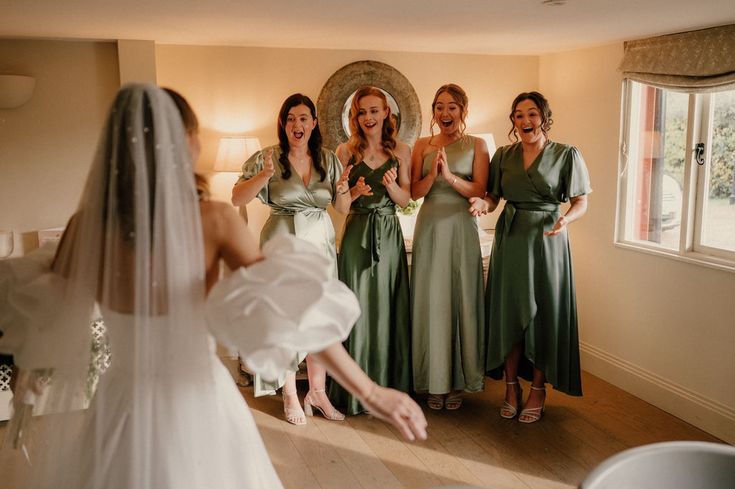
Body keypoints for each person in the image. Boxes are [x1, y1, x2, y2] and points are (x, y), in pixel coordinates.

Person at [0, 84, 427, 488]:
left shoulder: (84, 228)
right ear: (189, 142)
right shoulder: (214, 221)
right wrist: (369, 391)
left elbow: (46, 314)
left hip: (120, 403)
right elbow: (294, 312)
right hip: (199, 402)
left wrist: (29, 384)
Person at [469, 91, 591, 423]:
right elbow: (493, 197)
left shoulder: (567, 155)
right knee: (510, 313)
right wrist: (483, 205)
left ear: (545, 118)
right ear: (513, 121)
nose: (526, 121)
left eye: (533, 114)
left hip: (548, 240)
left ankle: (538, 389)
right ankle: (511, 387)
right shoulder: (503, 156)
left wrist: (566, 219)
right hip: (510, 238)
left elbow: (580, 201)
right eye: (519, 115)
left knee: (543, 315)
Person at [231, 93, 352, 424]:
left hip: (319, 245)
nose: (297, 124)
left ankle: (318, 392)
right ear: (283, 125)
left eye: (303, 118)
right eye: (291, 119)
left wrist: (343, 192)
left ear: (314, 123)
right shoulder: (266, 158)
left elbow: (342, 209)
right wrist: (262, 177)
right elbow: (237, 197)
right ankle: (289, 394)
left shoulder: (329, 159)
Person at [328, 86, 412, 415]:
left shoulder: (402, 150)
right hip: (357, 235)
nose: (368, 118)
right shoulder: (345, 151)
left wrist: (390, 186)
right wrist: (356, 192)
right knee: (356, 307)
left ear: (386, 113)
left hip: (389, 235)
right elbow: (339, 206)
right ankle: (355, 391)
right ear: (355, 117)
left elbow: (406, 201)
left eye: (374, 111)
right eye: (362, 112)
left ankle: (389, 388)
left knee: (389, 307)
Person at [409, 83, 489, 410]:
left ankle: (457, 382)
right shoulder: (420, 145)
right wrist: (433, 174)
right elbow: (414, 192)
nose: (445, 113)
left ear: (463, 111)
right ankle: (433, 381)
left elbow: (481, 189)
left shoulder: (478, 145)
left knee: (460, 299)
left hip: (461, 227)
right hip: (429, 226)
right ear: (434, 112)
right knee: (431, 301)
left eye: (452, 107)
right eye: (439, 106)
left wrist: (451, 176)